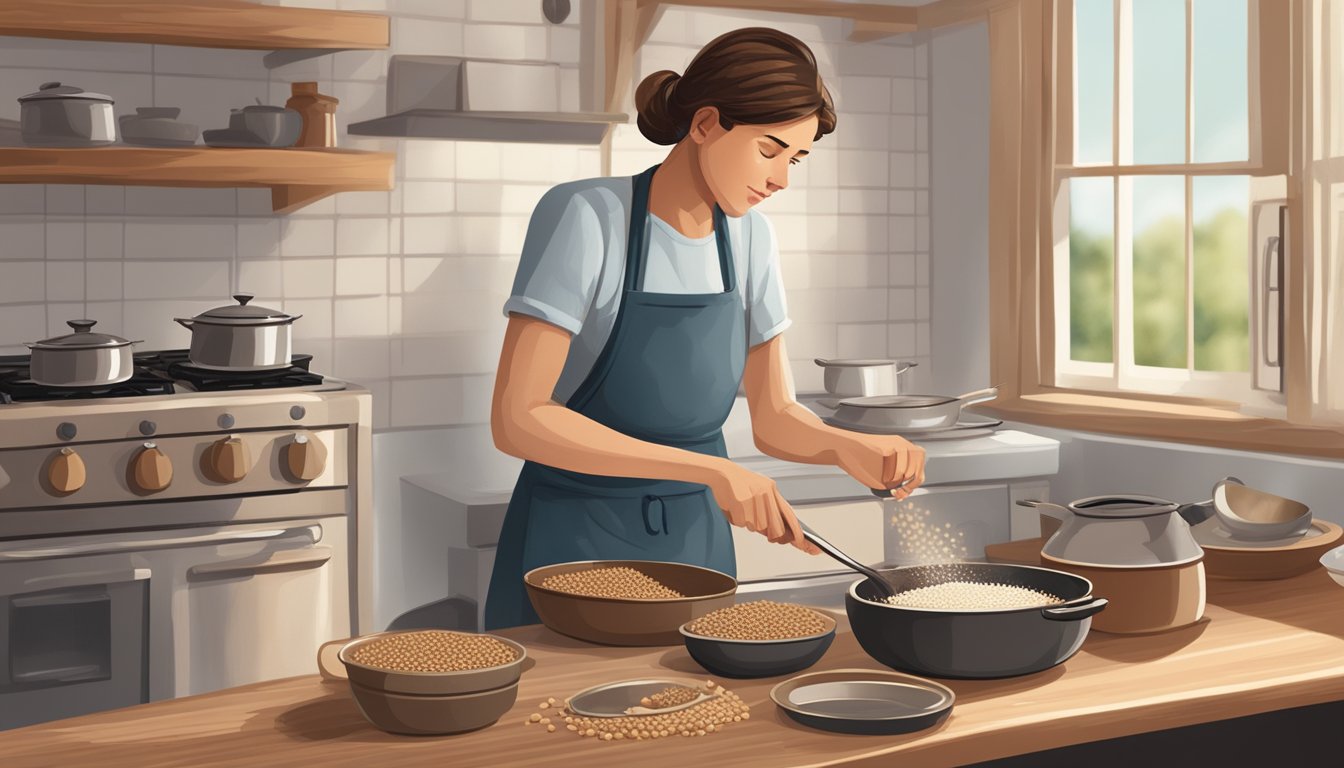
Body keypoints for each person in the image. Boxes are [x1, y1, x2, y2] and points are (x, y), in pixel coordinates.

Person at [484, 27, 925, 629]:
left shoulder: (748, 239)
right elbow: (519, 418)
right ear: (706, 124)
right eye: (769, 150)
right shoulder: (589, 216)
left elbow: (774, 418)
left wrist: (851, 448)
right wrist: (713, 470)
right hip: (576, 542)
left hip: (697, 543)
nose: (780, 180)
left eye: (795, 159)